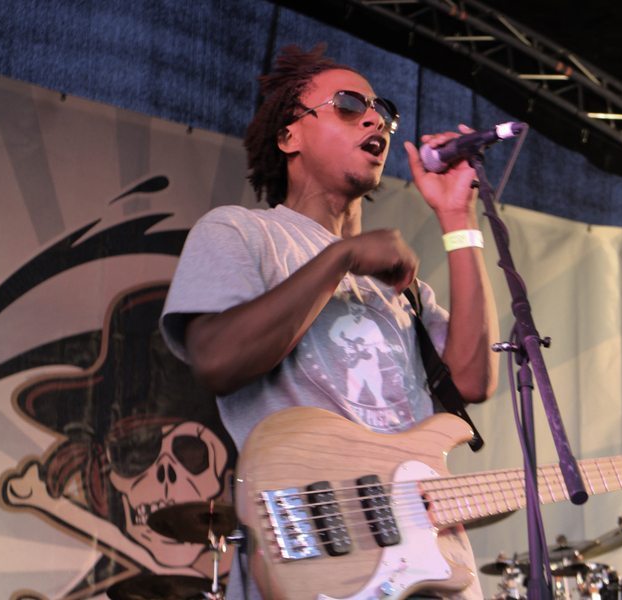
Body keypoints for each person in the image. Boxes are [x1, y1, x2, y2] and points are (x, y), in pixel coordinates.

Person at [160, 44, 498, 599]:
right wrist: (341, 257)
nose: (374, 120)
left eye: (382, 111)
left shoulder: (405, 290)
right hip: (320, 566)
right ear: (288, 136)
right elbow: (217, 360)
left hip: (433, 565)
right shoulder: (242, 232)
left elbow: (472, 382)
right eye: (347, 105)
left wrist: (458, 219)